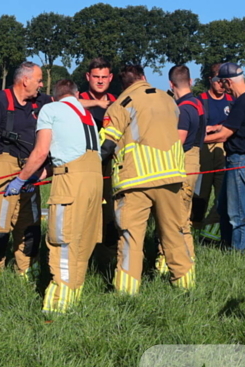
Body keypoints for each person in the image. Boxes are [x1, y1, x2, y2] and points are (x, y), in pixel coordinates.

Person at [5, 79, 102, 315]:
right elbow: (71, 150)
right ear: (76, 95)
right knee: (83, 240)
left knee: (63, 239)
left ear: (56, 96)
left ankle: (57, 304)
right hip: (95, 180)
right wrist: (41, 175)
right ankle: (74, 296)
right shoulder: (84, 113)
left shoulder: (50, 109)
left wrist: (21, 178)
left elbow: (40, 152)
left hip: (70, 183)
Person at [100, 64, 194, 293]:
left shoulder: (121, 104)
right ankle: (186, 286)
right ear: (144, 77)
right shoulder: (168, 99)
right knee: (174, 234)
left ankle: (126, 292)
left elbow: (106, 145)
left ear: (122, 84)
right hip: (171, 176)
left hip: (135, 181)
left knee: (131, 238)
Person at [0, 62, 52, 279]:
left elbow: (69, 103)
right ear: (25, 80)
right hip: (3, 164)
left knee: (30, 223)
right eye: (38, 79)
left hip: (30, 167)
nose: (41, 84)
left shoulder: (43, 102)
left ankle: (28, 270)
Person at [205, 62, 245, 252]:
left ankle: (237, 253)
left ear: (229, 82)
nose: (222, 87)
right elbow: (232, 125)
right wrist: (213, 128)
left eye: (223, 83)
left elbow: (224, 135)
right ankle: (226, 245)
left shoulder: (243, 101)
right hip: (238, 159)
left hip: (241, 161)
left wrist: (197, 139)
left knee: (237, 213)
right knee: (223, 208)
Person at [156, 65, 206, 272]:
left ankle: (180, 263)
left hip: (182, 162)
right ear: (191, 81)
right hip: (195, 159)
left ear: (171, 84)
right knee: (183, 215)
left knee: (177, 217)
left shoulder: (183, 108)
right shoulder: (198, 103)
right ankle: (185, 261)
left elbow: (179, 141)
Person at [79, 57, 118, 251]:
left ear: (111, 77)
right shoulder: (78, 99)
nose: (100, 81)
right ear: (88, 77)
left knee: (109, 209)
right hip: (85, 165)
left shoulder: (118, 103)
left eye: (104, 77)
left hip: (112, 166)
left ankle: (107, 251)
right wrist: (97, 104)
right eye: (96, 77)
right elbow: (63, 102)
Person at [193, 63, 234, 241]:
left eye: (224, 81)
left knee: (222, 195)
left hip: (224, 152)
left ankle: (212, 234)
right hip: (204, 152)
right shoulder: (201, 100)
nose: (221, 85)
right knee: (199, 195)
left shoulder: (232, 101)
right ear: (211, 80)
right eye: (218, 80)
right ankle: (193, 229)